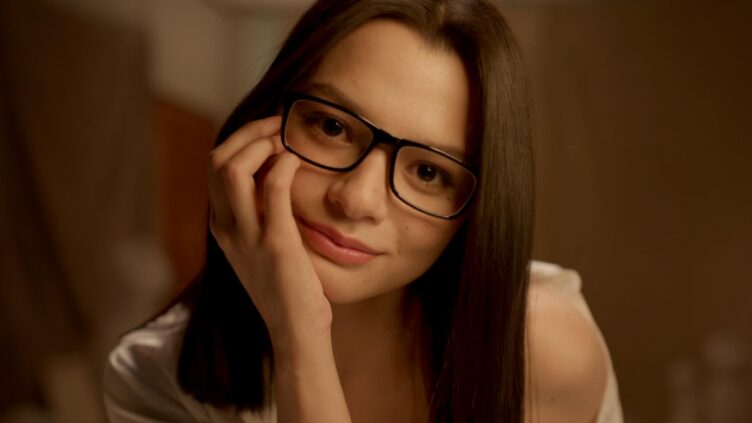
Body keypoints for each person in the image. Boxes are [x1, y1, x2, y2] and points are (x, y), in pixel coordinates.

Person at [103, 0, 623, 422]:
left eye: (428, 173)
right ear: (264, 120)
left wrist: (301, 340)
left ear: (475, 212)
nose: (356, 200)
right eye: (332, 127)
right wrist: (297, 333)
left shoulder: (540, 353)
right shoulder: (152, 376)